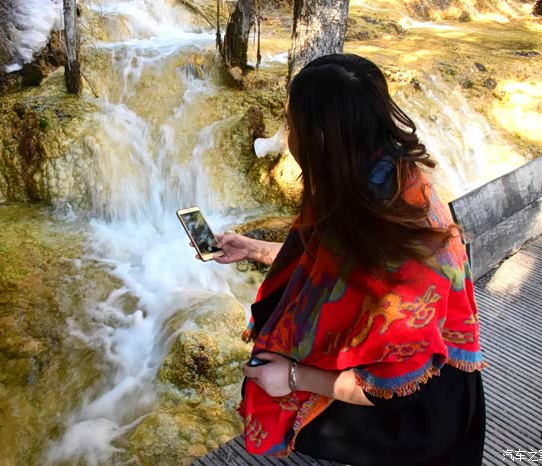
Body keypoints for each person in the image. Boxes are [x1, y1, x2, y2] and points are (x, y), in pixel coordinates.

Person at [203, 54, 486, 466]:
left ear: (318, 139)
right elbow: (334, 272)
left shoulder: (392, 243)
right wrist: (254, 249)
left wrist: (293, 378)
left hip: (419, 417)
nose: (287, 136)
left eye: (291, 125)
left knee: (278, 398)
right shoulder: (377, 178)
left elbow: (393, 386)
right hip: (418, 389)